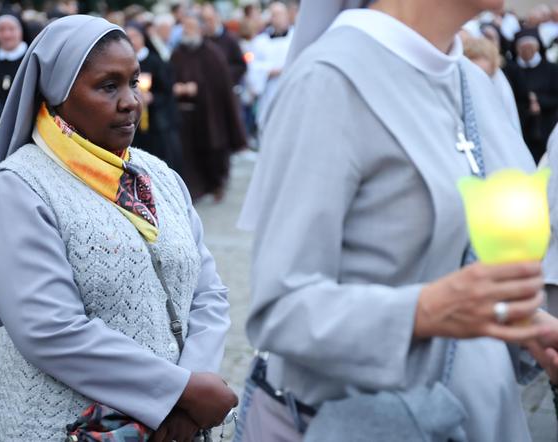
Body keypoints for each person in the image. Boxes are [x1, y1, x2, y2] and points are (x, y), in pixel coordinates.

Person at [236, 1, 558, 441]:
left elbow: (454, 267)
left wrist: (521, 324)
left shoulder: (471, 82)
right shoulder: (330, 81)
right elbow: (281, 309)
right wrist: (423, 312)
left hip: (493, 418)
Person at [0, 15, 237, 441]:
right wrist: (177, 392)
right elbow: (50, 329)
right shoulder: (19, 189)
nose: (130, 101)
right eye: (108, 86)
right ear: (57, 92)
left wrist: (189, 397)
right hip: (61, 427)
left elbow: (207, 293)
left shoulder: (158, 175)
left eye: (133, 82)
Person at [171, 14, 246, 201]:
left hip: (210, 112)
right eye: (184, 27)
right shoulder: (177, 54)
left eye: (190, 27)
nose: (186, 31)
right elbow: (169, 76)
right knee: (190, 152)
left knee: (214, 149)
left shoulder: (212, 53)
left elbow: (220, 84)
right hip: (185, 112)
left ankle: (217, 184)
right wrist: (177, 87)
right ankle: (196, 187)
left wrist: (199, 87)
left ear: (199, 29)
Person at [126, 23, 182, 172]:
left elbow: (166, 90)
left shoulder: (155, 61)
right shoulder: (124, 63)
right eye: (128, 37)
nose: (132, 41)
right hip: (134, 122)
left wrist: (153, 98)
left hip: (156, 122)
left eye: (135, 36)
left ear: (143, 37)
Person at [504, 29, 558, 163]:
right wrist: (528, 106)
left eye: (529, 47)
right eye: (523, 48)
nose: (526, 51)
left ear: (537, 47)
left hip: (547, 123)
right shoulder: (511, 70)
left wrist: (539, 102)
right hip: (521, 124)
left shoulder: (551, 69)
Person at [247, 1, 293, 130]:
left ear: (287, 16)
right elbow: (252, 65)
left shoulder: (295, 38)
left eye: (280, 14)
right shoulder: (260, 41)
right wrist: (268, 70)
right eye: (274, 15)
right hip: (269, 91)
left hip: (289, 90)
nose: (277, 18)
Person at [0, 11, 28, 103]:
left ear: (21, 30)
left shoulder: (31, 59)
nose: (6, 35)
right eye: (1, 30)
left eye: (11, 29)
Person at [201, 4, 247, 87]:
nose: (208, 23)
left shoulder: (230, 38)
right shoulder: (203, 40)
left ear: (217, 17)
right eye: (204, 20)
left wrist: (224, 73)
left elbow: (241, 66)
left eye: (210, 19)